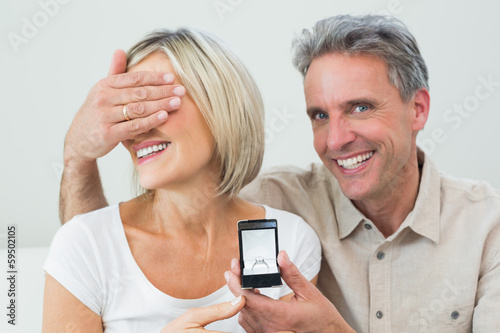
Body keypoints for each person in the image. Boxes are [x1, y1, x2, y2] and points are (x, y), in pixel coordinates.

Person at [57, 15, 500, 332]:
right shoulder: (273, 205)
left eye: (360, 107)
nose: (336, 139)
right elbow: (98, 251)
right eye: (319, 115)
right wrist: (79, 157)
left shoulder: (486, 227)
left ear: (418, 108)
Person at [43, 28, 321, 332]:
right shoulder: (82, 244)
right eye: (128, 110)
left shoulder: (290, 242)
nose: (136, 128)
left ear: (220, 106)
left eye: (154, 101)